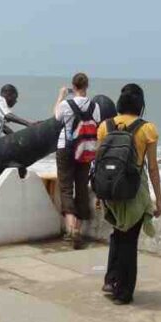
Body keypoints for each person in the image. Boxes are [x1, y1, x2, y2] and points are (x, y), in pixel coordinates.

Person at [97, 83, 161, 305]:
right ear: (140, 104)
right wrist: (159, 200)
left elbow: (99, 164)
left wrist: (98, 196)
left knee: (117, 235)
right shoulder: (147, 129)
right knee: (129, 241)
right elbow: (152, 168)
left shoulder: (105, 126)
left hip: (110, 190)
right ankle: (124, 292)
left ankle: (111, 280)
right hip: (134, 192)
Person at [53, 73, 101, 249]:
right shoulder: (94, 106)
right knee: (81, 187)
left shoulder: (66, 104)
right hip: (85, 149)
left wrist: (61, 96)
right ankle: (78, 230)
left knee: (66, 188)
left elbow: (57, 116)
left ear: (73, 86)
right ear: (87, 86)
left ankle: (70, 229)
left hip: (66, 147)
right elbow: (96, 123)